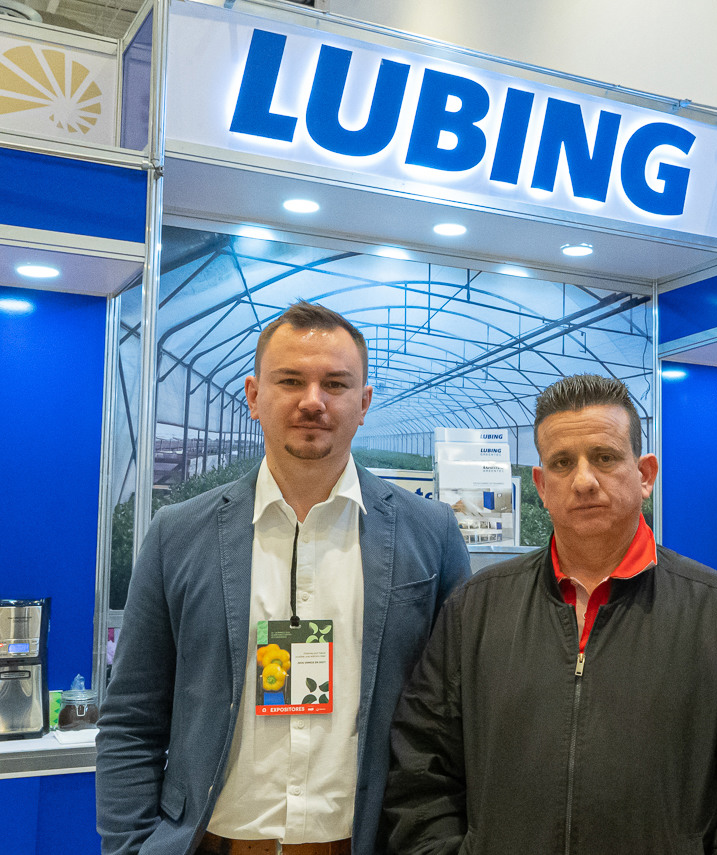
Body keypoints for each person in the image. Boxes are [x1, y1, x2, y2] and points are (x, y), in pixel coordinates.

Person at [97, 301, 471, 855]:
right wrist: (130, 846)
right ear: (254, 396)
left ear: (364, 403)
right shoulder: (178, 534)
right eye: (290, 380)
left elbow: (455, 715)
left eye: (336, 384)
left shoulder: (430, 532)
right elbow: (132, 716)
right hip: (216, 842)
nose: (313, 401)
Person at [382, 374, 717, 854]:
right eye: (562, 463)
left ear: (645, 475)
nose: (584, 481)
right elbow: (420, 770)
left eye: (604, 457)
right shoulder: (474, 610)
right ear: (542, 486)